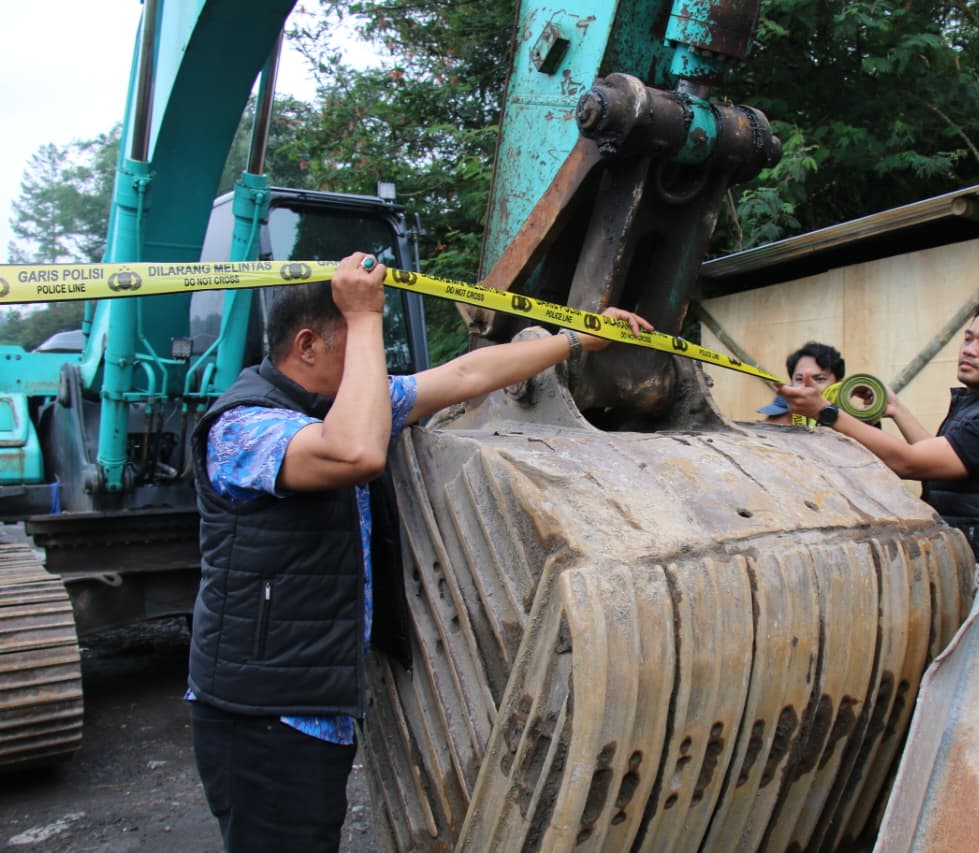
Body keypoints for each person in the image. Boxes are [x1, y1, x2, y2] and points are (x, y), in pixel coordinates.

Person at [185, 252, 652, 850]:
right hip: (262, 714)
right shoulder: (243, 428)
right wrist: (365, 315)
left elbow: (464, 376)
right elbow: (356, 453)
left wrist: (575, 340)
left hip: (309, 698)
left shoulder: (337, 406)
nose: (371, 365)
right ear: (307, 346)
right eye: (357, 346)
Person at [778, 299, 979, 559]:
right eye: (968, 339)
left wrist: (826, 413)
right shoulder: (975, 402)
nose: (970, 350)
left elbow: (911, 463)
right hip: (959, 549)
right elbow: (938, 462)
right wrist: (896, 409)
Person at [757, 341, 845, 425]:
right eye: (799, 379)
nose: (807, 386)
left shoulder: (848, 415)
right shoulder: (782, 409)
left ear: (837, 384)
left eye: (819, 379)